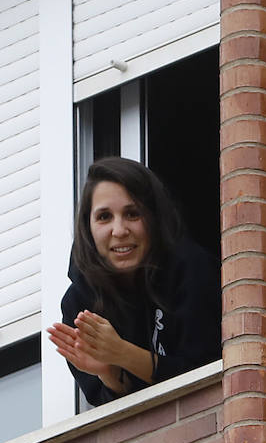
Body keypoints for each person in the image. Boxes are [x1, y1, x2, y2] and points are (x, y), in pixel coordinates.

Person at [47, 157, 218, 406]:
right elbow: (120, 426)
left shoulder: (191, 268)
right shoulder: (79, 302)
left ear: (153, 218)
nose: (119, 230)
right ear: (88, 227)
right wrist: (107, 373)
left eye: (132, 214)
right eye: (104, 217)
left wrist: (122, 353)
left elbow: (207, 379)